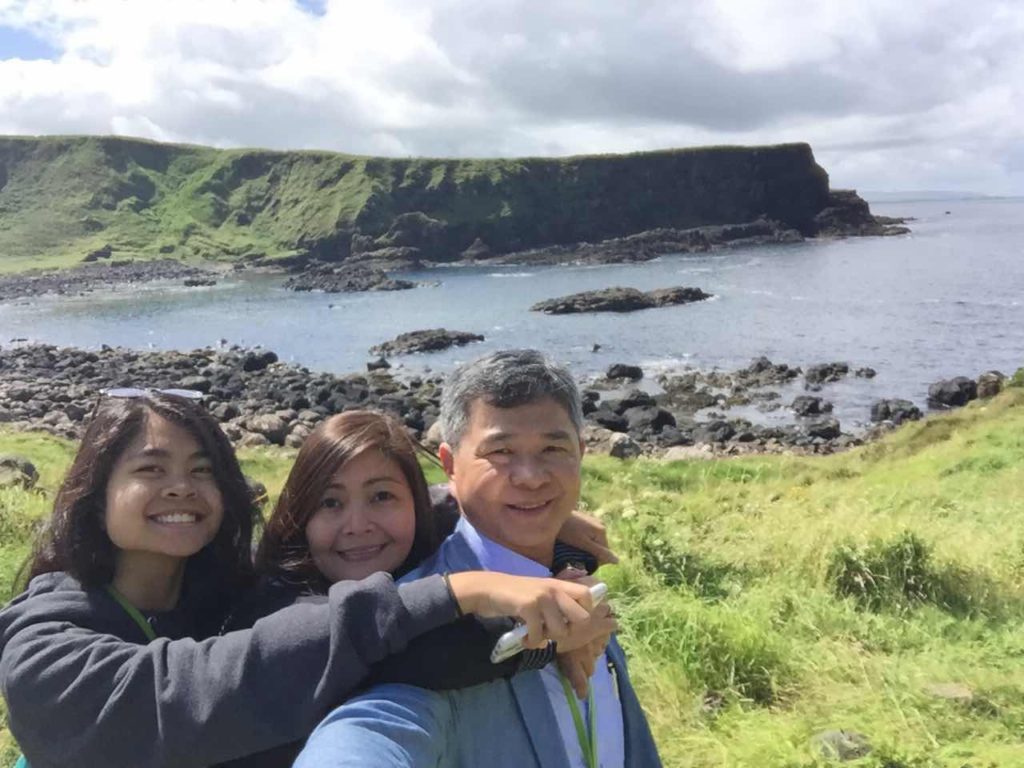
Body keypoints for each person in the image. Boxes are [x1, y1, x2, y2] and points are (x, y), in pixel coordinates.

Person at [0, 390, 606, 768]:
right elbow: (198, 689)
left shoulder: (224, 588)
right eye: (150, 469)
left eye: (202, 469)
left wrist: (517, 510)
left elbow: (389, 636)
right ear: (93, 492)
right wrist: (462, 591)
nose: (180, 487)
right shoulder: (44, 645)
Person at [294, 350, 662, 768]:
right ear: (450, 465)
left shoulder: (577, 578)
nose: (531, 476)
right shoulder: (415, 625)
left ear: (580, 451)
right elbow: (372, 729)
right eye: (500, 452)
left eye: (552, 448)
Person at [222, 409, 618, 767]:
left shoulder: (418, 543)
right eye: (329, 503)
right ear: (299, 514)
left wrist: (557, 541)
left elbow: (454, 508)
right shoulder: (279, 607)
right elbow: (420, 655)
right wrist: (552, 635)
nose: (357, 524)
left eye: (382, 496)